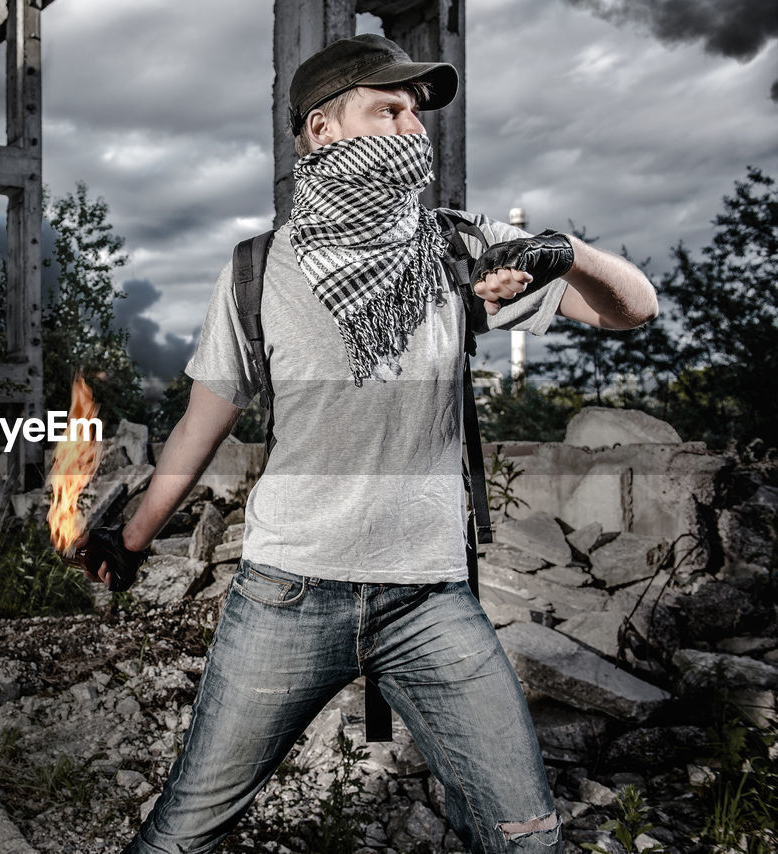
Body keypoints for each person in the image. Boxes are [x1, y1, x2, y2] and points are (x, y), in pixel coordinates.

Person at [78, 33, 659, 854]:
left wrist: (565, 252)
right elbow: (199, 428)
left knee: (528, 838)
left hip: (429, 600)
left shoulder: (459, 249)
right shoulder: (256, 270)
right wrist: (131, 539)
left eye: (417, 113)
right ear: (322, 130)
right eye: (388, 108)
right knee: (183, 836)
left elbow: (634, 310)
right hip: (286, 595)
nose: (413, 127)